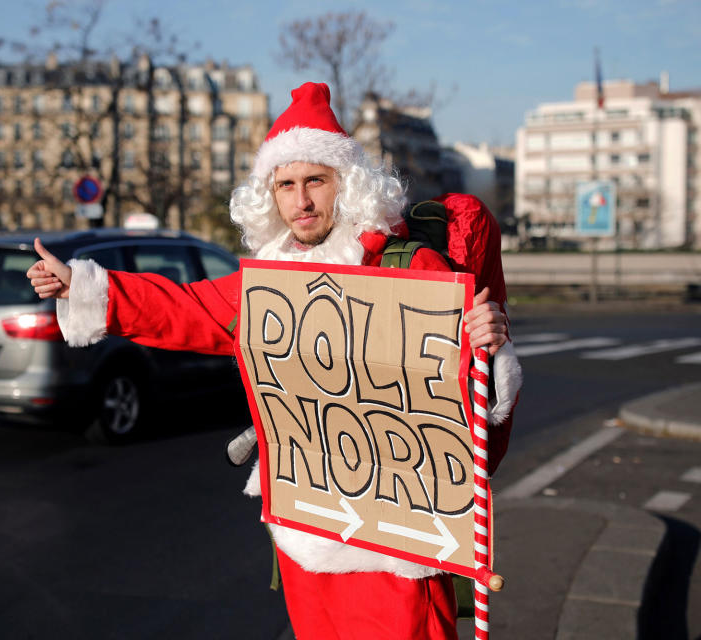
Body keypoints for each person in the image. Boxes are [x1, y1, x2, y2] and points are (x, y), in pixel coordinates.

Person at [27, 82, 522, 640]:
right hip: (308, 534)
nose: (300, 201)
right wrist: (82, 285)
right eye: (285, 184)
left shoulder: (410, 266)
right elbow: (185, 309)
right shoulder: (272, 282)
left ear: (348, 183)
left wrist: (489, 345)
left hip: (397, 546)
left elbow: (467, 400)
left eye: (315, 180)